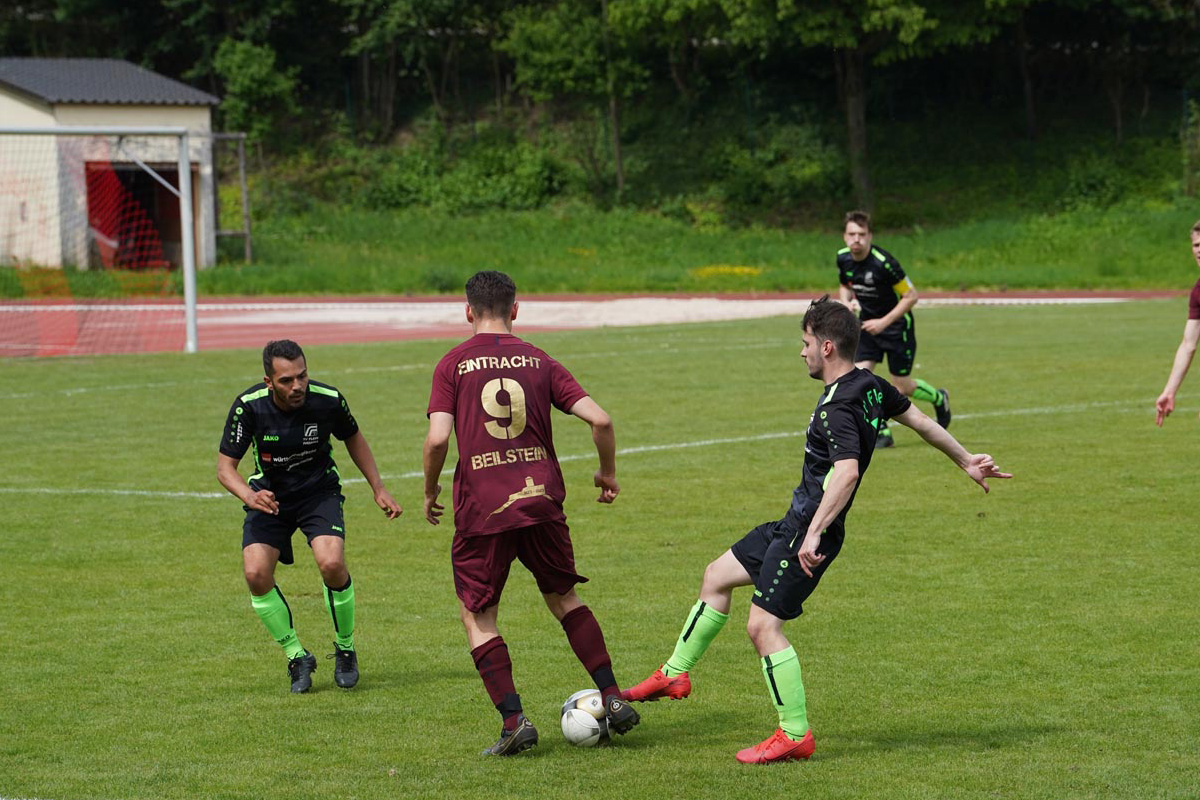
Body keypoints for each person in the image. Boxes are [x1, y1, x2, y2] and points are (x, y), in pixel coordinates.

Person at [622, 296, 1011, 764]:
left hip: (809, 530)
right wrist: (966, 460)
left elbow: (846, 472)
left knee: (763, 627)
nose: (802, 351)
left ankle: (794, 734)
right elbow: (922, 421)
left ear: (827, 347)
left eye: (806, 342)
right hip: (794, 522)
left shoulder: (837, 405)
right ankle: (674, 673)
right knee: (716, 576)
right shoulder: (870, 384)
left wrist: (812, 535)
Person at [422, 270, 640, 756]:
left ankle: (514, 721)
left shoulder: (452, 364)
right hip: (541, 501)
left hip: (484, 510)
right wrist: (606, 473)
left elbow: (437, 439)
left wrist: (431, 487)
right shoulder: (540, 360)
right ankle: (612, 696)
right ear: (515, 310)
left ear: (467, 311)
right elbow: (601, 419)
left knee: (478, 615)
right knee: (564, 598)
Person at [218, 339, 402, 693]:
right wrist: (250, 496)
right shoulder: (248, 407)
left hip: (319, 493)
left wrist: (378, 487)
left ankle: (345, 648)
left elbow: (353, 437)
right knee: (256, 573)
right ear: (269, 382)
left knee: (331, 563)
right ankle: (297, 656)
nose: (297, 386)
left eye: (302, 376)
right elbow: (225, 468)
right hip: (269, 498)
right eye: (286, 380)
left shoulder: (327, 399)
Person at [837, 209, 951, 446]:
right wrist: (846, 303)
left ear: (870, 236)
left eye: (861, 234)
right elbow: (845, 285)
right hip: (867, 327)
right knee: (858, 379)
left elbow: (911, 296)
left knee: (901, 386)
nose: (856, 239)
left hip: (897, 328)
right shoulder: (843, 258)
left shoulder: (884, 264)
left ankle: (939, 397)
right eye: (852, 234)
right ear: (844, 236)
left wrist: (883, 322)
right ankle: (882, 431)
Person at [1155, 220, 1200, 427]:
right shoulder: (1198, 292)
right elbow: (1188, 344)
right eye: (1196, 245)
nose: (1199, 250)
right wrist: (1170, 390)